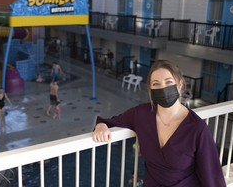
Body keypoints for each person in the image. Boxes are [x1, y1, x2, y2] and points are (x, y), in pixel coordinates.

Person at [93, 60, 226, 187]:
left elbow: (212, 177)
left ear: (179, 85)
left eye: (168, 82)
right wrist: (101, 126)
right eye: (156, 84)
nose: (163, 88)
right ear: (150, 88)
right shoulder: (141, 114)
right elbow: (109, 121)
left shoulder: (197, 128)